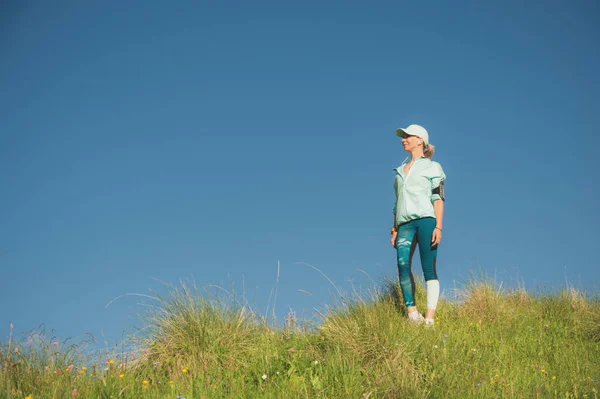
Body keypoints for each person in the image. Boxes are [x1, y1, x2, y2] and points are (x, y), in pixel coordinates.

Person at [391, 124, 446, 326]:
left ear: (420, 140)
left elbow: (438, 198)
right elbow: (396, 203)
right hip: (404, 224)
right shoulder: (399, 172)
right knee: (402, 264)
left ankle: (429, 318)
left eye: (407, 136)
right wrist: (394, 229)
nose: (403, 139)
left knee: (428, 268)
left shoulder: (433, 167)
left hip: (426, 221)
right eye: (403, 136)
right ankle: (412, 314)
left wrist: (438, 226)